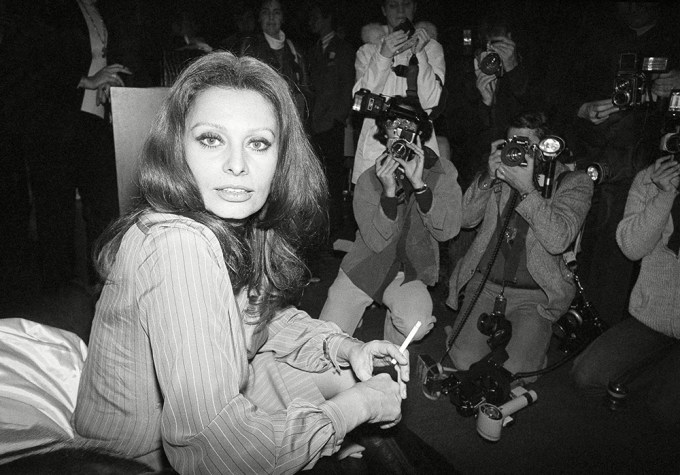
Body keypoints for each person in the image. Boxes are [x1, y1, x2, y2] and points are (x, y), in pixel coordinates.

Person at [71, 52, 409, 474]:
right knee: (356, 397)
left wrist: (346, 346)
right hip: (133, 463)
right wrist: (351, 412)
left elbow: (263, 316)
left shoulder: (235, 219)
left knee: (351, 375)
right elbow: (214, 453)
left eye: (258, 142)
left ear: (280, 157)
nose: (237, 165)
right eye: (211, 139)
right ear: (178, 148)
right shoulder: (179, 244)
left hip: (197, 416)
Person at [551, 2, 680, 326]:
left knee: (618, 238)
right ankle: (577, 315)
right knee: (581, 233)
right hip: (593, 157)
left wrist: (676, 82)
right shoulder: (596, 33)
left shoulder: (672, 35)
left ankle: (602, 323)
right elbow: (555, 89)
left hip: (650, 165)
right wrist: (583, 109)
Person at [446, 112, 593, 379]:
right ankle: (465, 332)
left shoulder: (574, 183)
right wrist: (488, 178)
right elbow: (465, 220)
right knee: (464, 361)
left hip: (535, 295)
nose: (517, 150)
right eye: (512, 142)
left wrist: (528, 191)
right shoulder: (501, 172)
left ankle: (534, 342)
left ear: (548, 147)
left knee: (515, 373)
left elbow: (557, 239)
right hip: (487, 285)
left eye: (526, 145)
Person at [320, 95, 462, 345]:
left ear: (420, 131)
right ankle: (354, 316)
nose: (402, 131)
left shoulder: (443, 171)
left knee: (416, 325)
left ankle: (391, 347)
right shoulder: (368, 178)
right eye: (394, 124)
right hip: (365, 266)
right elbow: (375, 241)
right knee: (325, 340)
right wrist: (388, 193)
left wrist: (420, 186)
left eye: (409, 125)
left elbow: (448, 231)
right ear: (384, 132)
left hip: (408, 272)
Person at [23, 0, 133, 290]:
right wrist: (86, 80)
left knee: (103, 208)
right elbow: (31, 63)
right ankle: (58, 294)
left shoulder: (101, 10)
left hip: (95, 121)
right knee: (56, 211)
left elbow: (105, 56)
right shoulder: (50, 8)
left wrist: (110, 80)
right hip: (56, 122)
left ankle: (103, 284)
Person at [571, 155, 680, 426]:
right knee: (586, 375)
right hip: (653, 317)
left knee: (664, 410)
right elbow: (632, 247)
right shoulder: (651, 178)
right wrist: (665, 195)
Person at [351, 0, 445, 183]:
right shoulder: (368, 50)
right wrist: (383, 55)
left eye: (407, 4)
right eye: (393, 5)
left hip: (419, 151)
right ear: (383, 10)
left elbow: (432, 103)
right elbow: (360, 101)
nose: (401, 10)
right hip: (375, 152)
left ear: (415, 7)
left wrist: (420, 55)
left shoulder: (432, 48)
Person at [306, 0, 356, 242]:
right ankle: (320, 228)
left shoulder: (344, 49)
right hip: (315, 125)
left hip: (332, 126)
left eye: (316, 16)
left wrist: (338, 119)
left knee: (334, 181)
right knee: (317, 180)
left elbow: (348, 87)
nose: (312, 22)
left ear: (327, 19)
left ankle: (334, 230)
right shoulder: (313, 49)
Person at [238, 0, 311, 120]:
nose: (271, 17)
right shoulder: (250, 47)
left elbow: (305, 88)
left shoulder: (294, 49)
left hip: (290, 121)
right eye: (266, 12)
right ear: (259, 18)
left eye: (276, 12)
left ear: (282, 18)